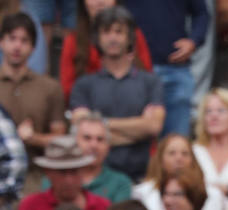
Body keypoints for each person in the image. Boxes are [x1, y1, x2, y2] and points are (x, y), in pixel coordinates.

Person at [69, 6, 166, 184]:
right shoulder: (84, 85)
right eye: (106, 32)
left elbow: (153, 126)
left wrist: (101, 125)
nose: (113, 37)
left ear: (129, 37)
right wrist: (137, 129)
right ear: (97, 38)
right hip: (96, 180)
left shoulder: (150, 83)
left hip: (142, 178)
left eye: (119, 32)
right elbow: (81, 128)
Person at [0, 11, 65, 188]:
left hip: (37, 178)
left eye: (24, 40)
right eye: (12, 38)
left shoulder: (50, 87)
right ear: (2, 42)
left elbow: (60, 140)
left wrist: (34, 138)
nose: (17, 46)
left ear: (34, 47)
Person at [123, 0, 207, 137]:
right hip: (134, 70)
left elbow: (202, 13)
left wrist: (194, 40)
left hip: (176, 69)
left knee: (176, 143)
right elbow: (111, 10)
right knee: (136, 141)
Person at [59, 0, 154, 103]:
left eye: (118, 32)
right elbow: (68, 91)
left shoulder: (135, 35)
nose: (100, 2)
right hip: (88, 112)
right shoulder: (72, 42)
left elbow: (148, 85)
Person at [132, 132, 224, 210]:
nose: (179, 158)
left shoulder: (212, 194)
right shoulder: (141, 193)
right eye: (172, 153)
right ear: (160, 160)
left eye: (185, 153)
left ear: (193, 160)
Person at [71, 110, 132, 203]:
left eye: (100, 139)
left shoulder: (120, 183)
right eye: (87, 138)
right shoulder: (56, 180)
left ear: (108, 147)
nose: (94, 145)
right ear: (73, 143)